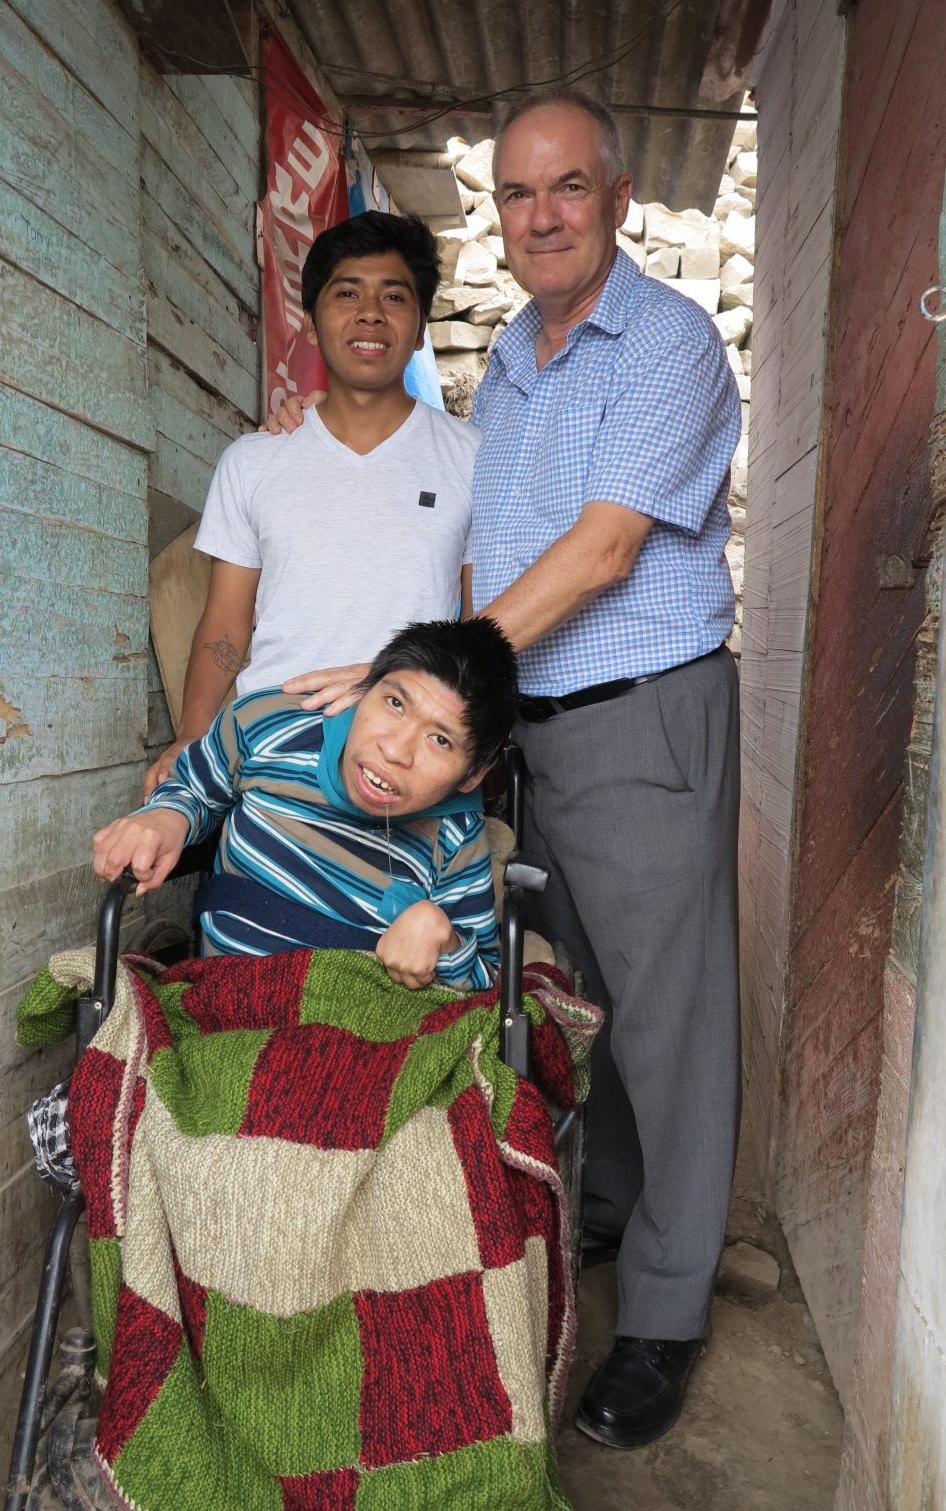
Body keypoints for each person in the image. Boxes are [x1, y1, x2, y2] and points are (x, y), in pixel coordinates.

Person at [283, 89, 742, 1449]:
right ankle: (605, 1209)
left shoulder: (667, 345)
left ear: (614, 195)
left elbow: (604, 555)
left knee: (671, 1011)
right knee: (574, 987)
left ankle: (663, 1314)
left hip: (641, 707)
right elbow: (496, 558)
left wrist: (427, 675)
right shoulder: (518, 367)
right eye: (521, 195)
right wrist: (473, 716)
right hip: (534, 726)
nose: (541, 216)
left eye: (568, 189)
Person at [143, 211, 479, 798]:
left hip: (410, 760)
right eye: (347, 292)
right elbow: (225, 624)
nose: (370, 312)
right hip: (273, 747)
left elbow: (482, 630)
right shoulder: (254, 460)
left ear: (422, 326)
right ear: (311, 323)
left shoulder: (473, 460)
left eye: (394, 296)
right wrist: (192, 745)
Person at [96, 618, 517, 992]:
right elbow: (193, 787)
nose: (395, 750)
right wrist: (165, 815)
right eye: (394, 704)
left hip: (350, 1042)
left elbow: (488, 976)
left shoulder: (457, 835)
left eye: (439, 740)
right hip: (219, 1001)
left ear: (473, 775)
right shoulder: (267, 724)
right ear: (363, 687)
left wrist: (442, 938)